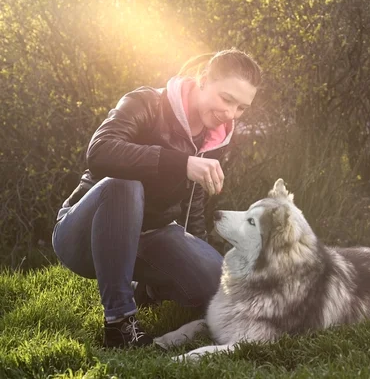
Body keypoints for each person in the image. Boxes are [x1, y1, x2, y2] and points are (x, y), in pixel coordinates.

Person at [52, 48, 262, 348]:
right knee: (125, 186)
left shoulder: (216, 135)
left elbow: (194, 203)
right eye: (226, 99)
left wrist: (197, 255)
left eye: (241, 108)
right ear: (203, 80)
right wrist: (181, 162)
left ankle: (148, 289)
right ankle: (119, 322)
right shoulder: (145, 103)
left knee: (217, 282)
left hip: (149, 236)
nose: (230, 114)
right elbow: (99, 152)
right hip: (82, 235)